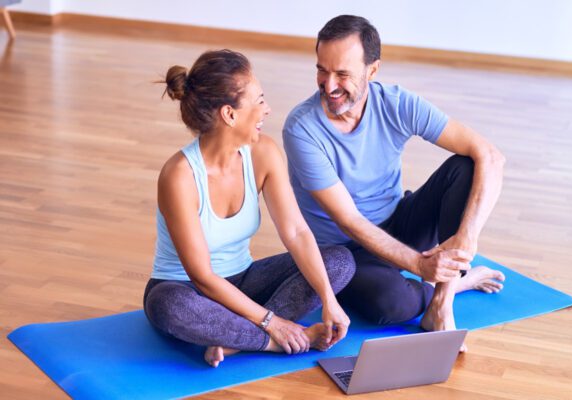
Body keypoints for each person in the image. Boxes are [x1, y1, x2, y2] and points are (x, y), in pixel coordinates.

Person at [282, 15, 506, 350]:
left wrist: (467, 238)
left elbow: (490, 156)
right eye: (321, 70)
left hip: (399, 222)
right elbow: (350, 221)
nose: (329, 85)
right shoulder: (301, 129)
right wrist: (420, 265)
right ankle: (459, 282)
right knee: (391, 305)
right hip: (345, 251)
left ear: (372, 71)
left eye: (342, 74)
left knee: (466, 166)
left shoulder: (397, 103)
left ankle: (441, 305)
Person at [144, 49, 356, 368]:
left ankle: (233, 342)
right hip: (188, 290)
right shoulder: (180, 176)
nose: (267, 109)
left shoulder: (264, 153)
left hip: (244, 280)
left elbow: (297, 232)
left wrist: (329, 299)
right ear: (229, 114)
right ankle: (269, 342)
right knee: (169, 306)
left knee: (339, 262)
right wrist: (272, 323)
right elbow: (201, 277)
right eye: (258, 101)